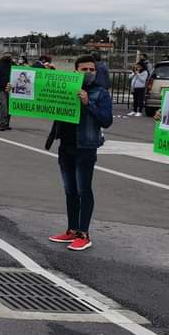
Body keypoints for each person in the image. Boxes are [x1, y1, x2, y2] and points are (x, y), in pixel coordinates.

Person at [44, 55, 113, 252]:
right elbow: (42, 98)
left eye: (92, 70)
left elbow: (106, 120)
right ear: (76, 71)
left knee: (84, 190)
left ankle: (84, 234)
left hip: (85, 147)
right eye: (85, 69)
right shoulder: (66, 88)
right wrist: (16, 91)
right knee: (70, 190)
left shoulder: (101, 93)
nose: (89, 73)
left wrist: (88, 104)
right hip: (66, 145)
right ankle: (72, 229)